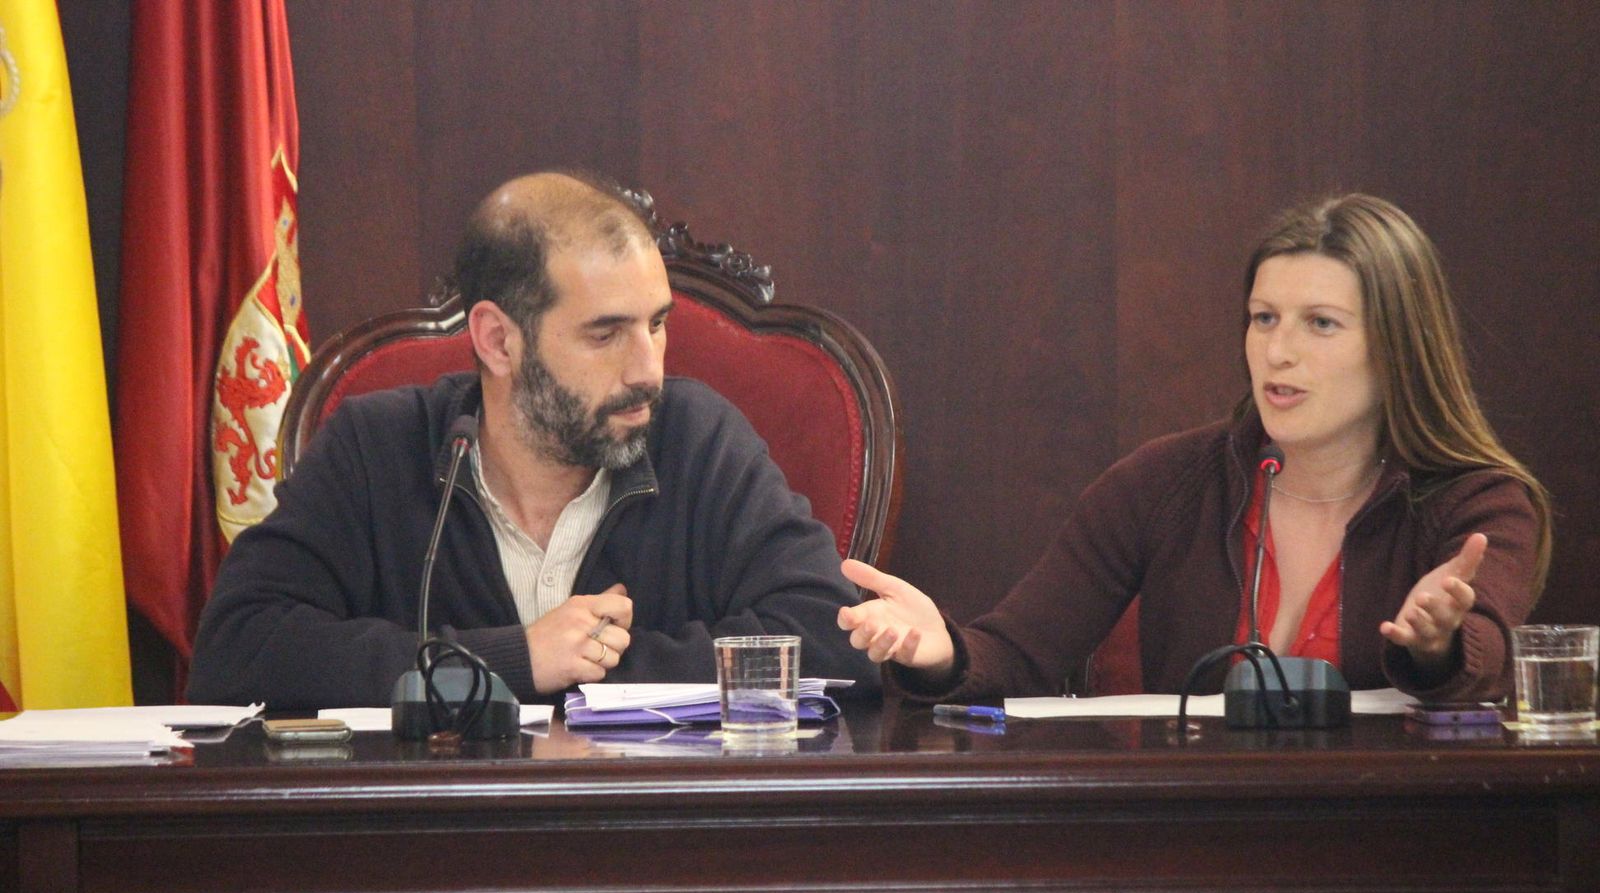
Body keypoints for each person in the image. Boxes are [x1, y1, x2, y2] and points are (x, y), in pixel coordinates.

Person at [189, 171, 875, 707]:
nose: (647, 370)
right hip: (422, 858)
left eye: (657, 325)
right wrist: (513, 658)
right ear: (497, 339)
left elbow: (834, 634)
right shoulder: (377, 448)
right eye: (605, 334)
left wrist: (595, 667)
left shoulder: (698, 439)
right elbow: (237, 648)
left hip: (656, 851)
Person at [840, 194, 1550, 703]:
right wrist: (939, 651)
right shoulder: (1166, 483)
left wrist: (1438, 644)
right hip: (1196, 840)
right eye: (1264, 318)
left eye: (1321, 324)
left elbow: (1485, 656)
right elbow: (1020, 653)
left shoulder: (1477, 502)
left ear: (1399, 347)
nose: (1278, 350)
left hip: (1399, 846)